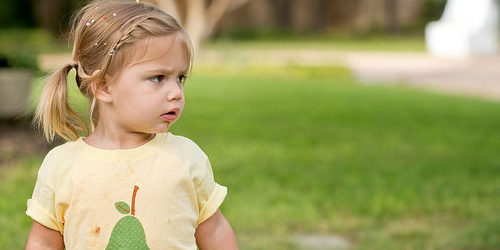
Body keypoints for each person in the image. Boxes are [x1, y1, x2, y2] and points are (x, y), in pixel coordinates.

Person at [25, 1, 238, 249]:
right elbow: (44, 242)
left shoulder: (185, 157)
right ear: (104, 86)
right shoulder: (62, 166)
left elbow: (214, 232)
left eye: (179, 78)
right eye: (158, 78)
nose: (176, 93)